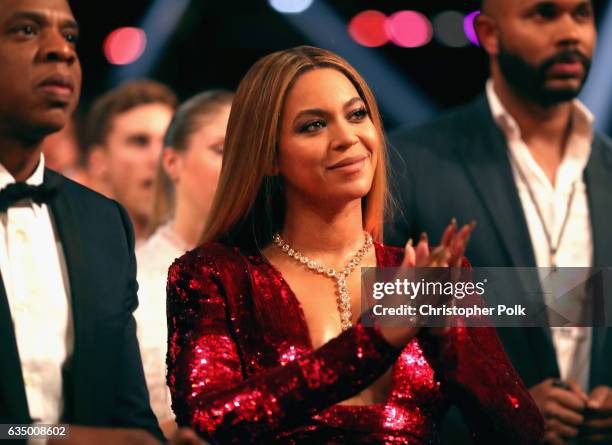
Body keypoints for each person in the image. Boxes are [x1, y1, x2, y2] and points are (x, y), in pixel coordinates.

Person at [165, 45, 543, 444]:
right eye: (313, 125)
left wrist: (451, 338)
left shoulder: (426, 276)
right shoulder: (213, 275)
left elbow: (523, 434)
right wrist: (375, 340)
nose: (347, 137)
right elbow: (209, 422)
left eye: (357, 114)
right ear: (269, 158)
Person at [387, 1, 612, 444]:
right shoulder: (409, 163)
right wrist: (500, 413)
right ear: (489, 33)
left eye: (582, 14)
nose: (571, 33)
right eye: (544, 14)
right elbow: (376, 350)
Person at [0, 1, 203, 444]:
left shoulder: (101, 222)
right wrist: (48, 438)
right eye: (26, 30)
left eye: (70, 37)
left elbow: (128, 415)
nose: (61, 51)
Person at [136, 90, 233, 437]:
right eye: (221, 149)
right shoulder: (131, 277)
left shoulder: (394, 263)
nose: (238, 164)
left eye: (247, 150)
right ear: (172, 162)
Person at [84, 79, 177, 242]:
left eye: (167, 142)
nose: (159, 157)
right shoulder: (72, 254)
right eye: (140, 142)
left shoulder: (209, 254)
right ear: (98, 162)